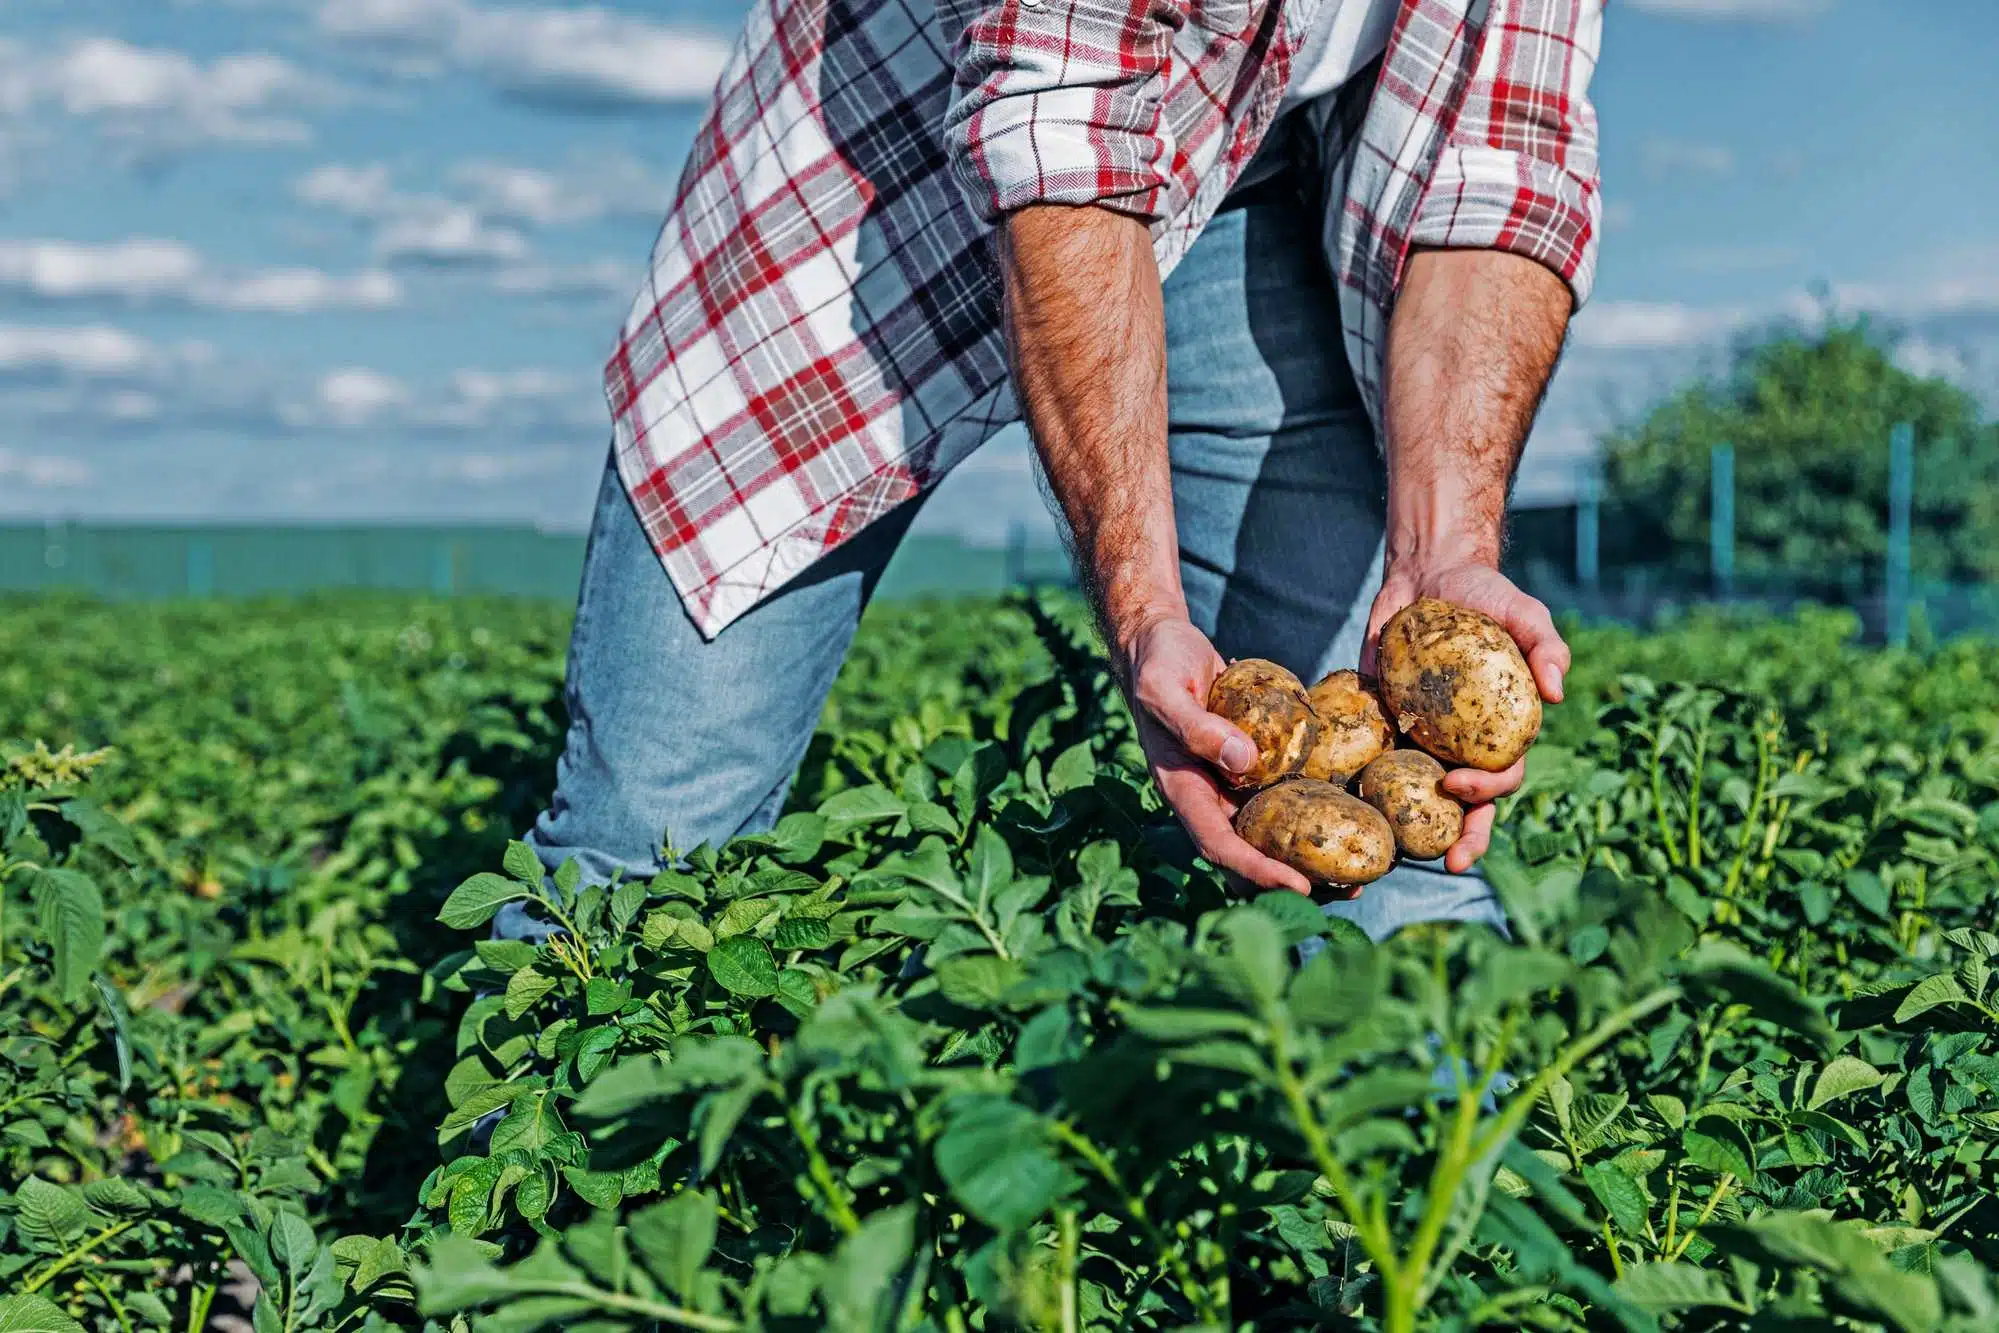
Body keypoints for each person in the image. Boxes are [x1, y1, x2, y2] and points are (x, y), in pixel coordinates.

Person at [502, 0, 1601, 945]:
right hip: (879, 177)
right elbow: (1065, 115)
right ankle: (550, 1177)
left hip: (1256, 174)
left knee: (1375, 828)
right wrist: (1143, 610)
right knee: (650, 841)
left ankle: (1423, 1174)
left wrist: (1444, 546)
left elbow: (1500, 164)